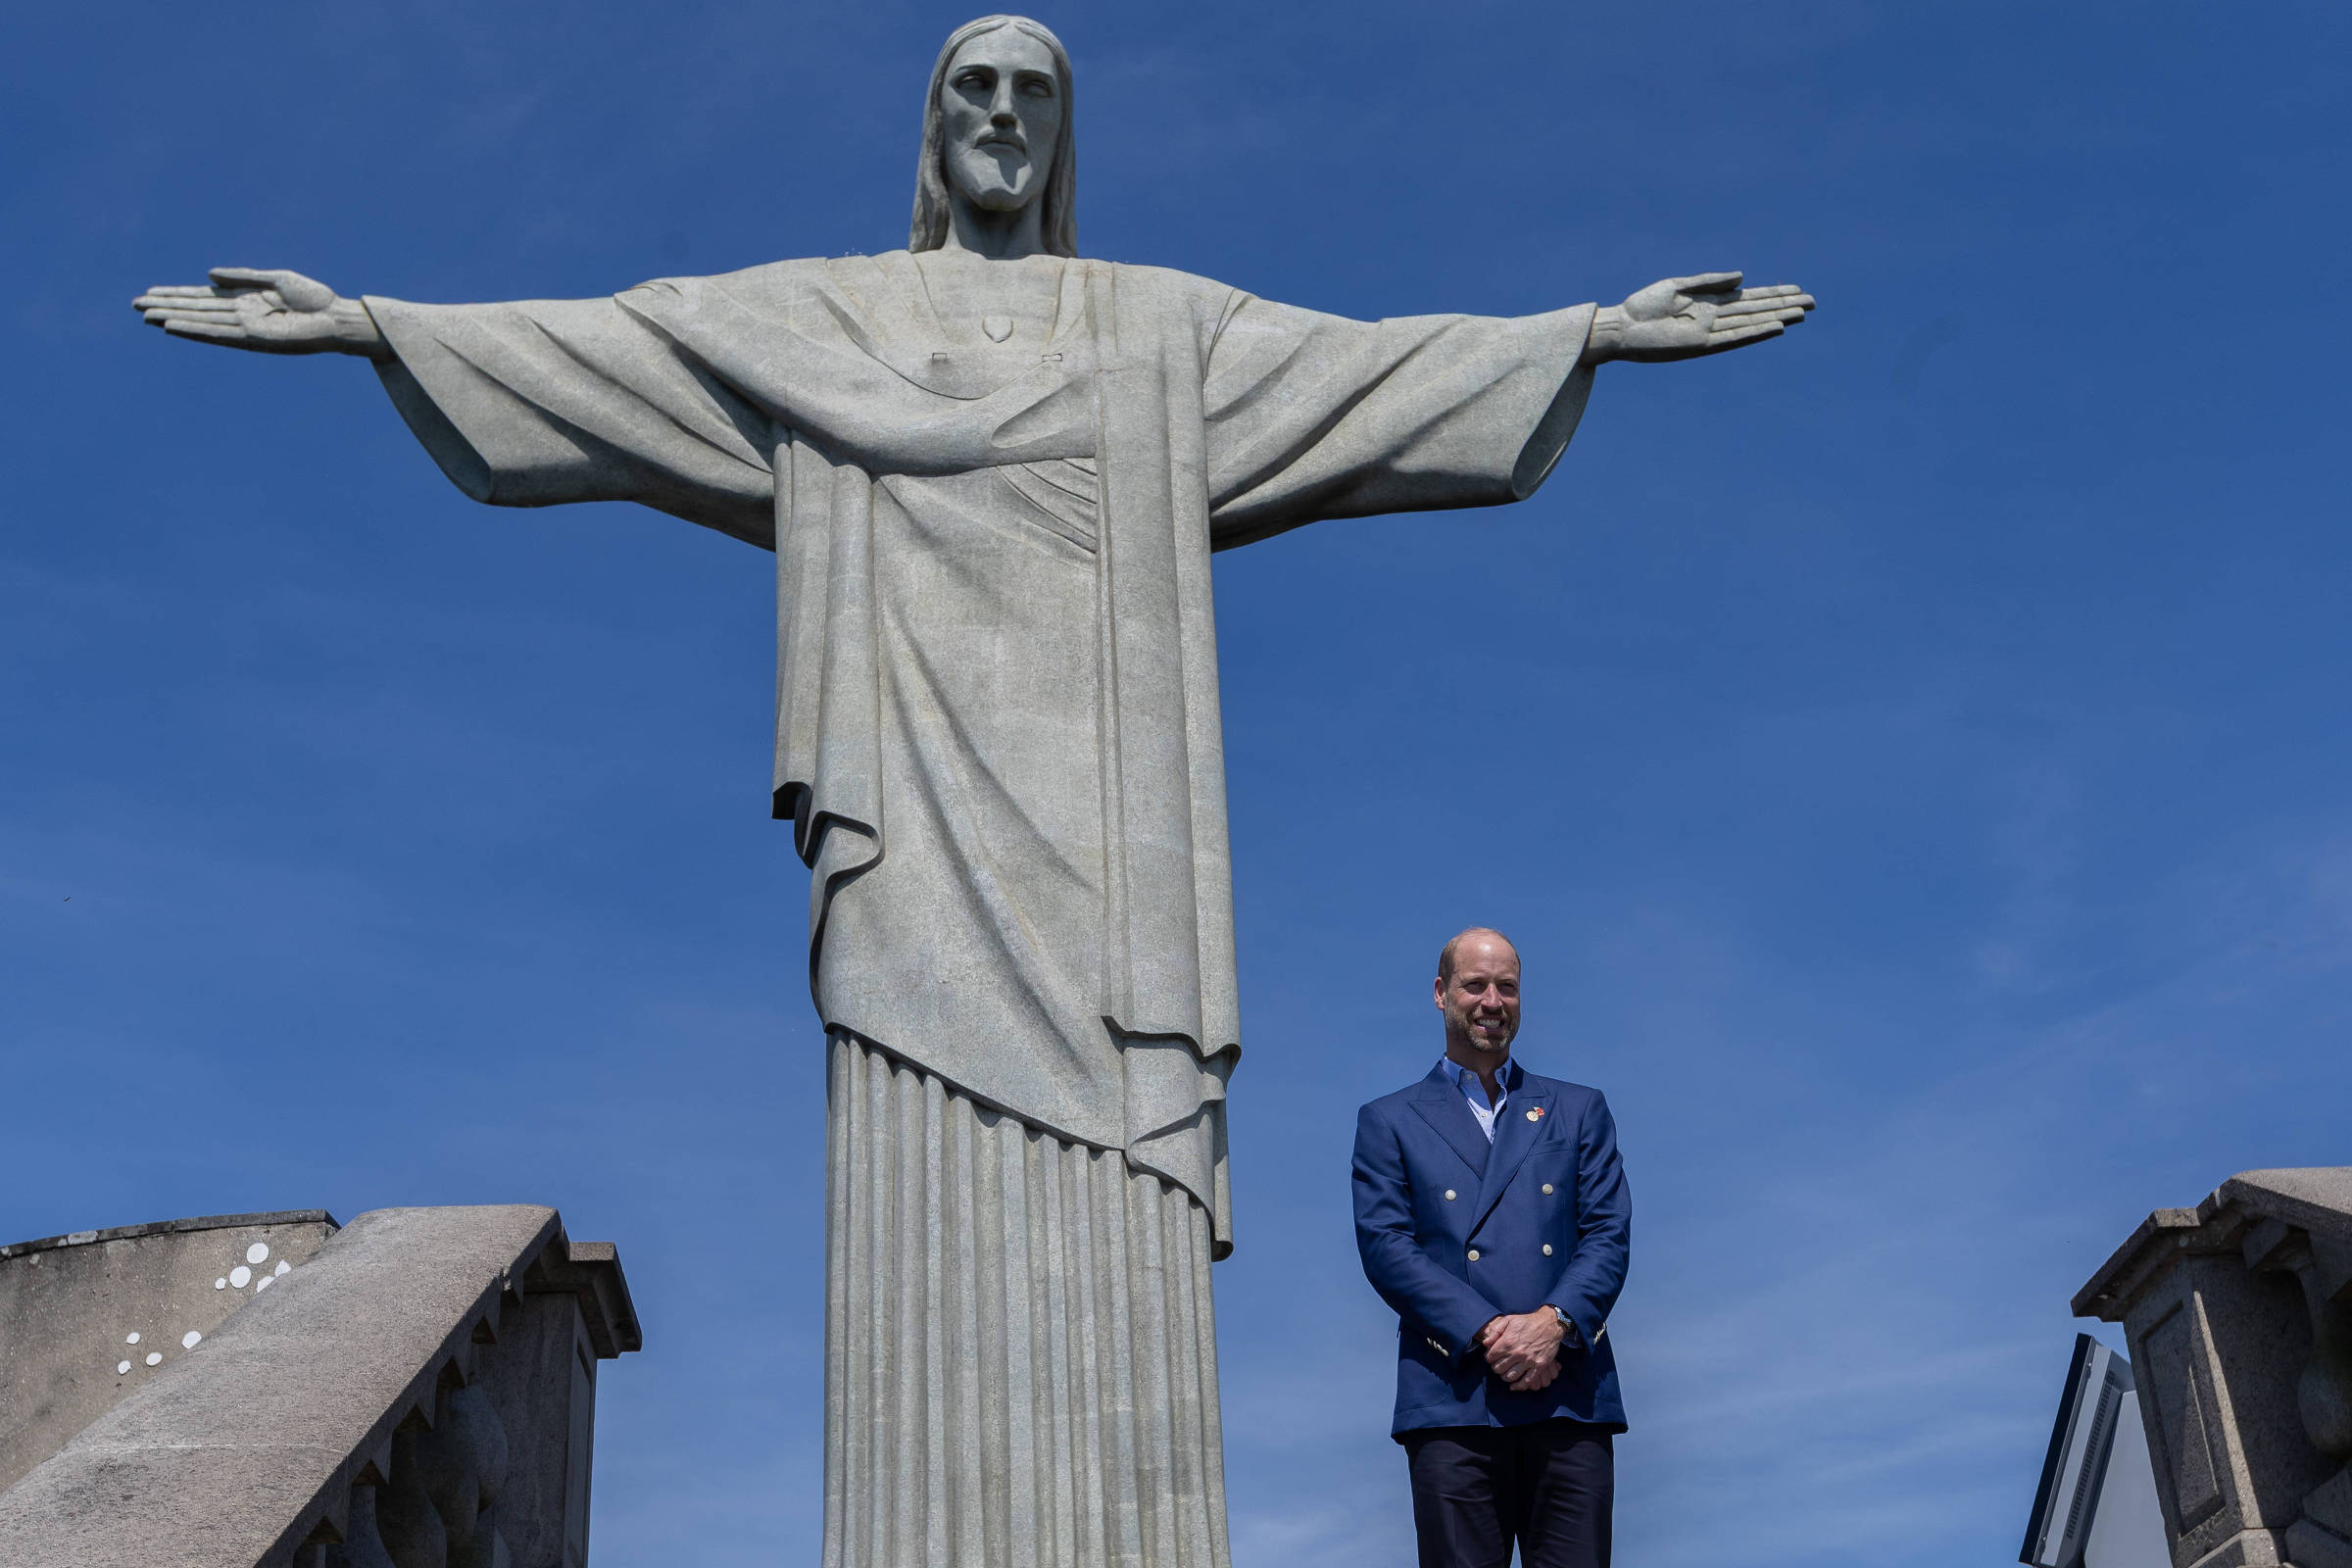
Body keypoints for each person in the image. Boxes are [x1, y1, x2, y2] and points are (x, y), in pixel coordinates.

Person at [132, 17, 1773, 1563]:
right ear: (934, 129)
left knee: (1117, 1213)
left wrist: (1585, 335)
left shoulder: (1153, 326)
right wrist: (375, 326)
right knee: (922, 1199)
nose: (1000, 115)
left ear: (1063, 135)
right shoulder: (830, 321)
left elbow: (1365, 377)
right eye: (971, 90)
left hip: (1113, 875)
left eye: (1032, 92)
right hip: (916, 840)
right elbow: (617, 352)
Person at [1354, 927, 1632, 1568]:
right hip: (1452, 1396)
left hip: (1568, 1394)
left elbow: (1608, 1233)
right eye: (1475, 984)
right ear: (1440, 993)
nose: (1491, 1000)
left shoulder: (1576, 1109)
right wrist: (1489, 1332)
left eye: (1506, 986)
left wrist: (1551, 1324)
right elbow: (1386, 1246)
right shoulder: (1389, 1119)